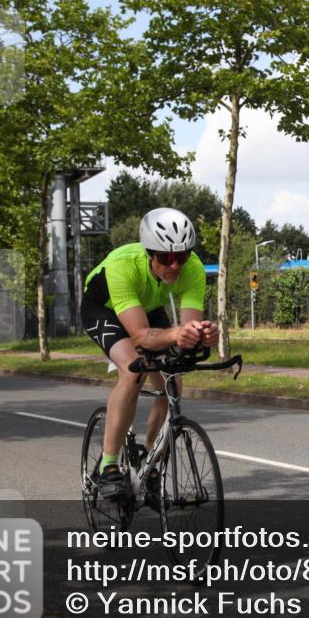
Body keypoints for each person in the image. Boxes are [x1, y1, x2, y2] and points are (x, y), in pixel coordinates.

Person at [81, 207, 219, 501]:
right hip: (104, 309)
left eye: (180, 257)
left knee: (174, 384)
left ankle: (151, 466)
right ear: (149, 254)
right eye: (165, 258)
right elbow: (141, 336)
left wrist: (202, 336)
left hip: (146, 307)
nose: (175, 266)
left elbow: (188, 330)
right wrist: (176, 333)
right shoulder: (123, 265)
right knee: (133, 371)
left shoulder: (193, 268)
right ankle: (108, 465)